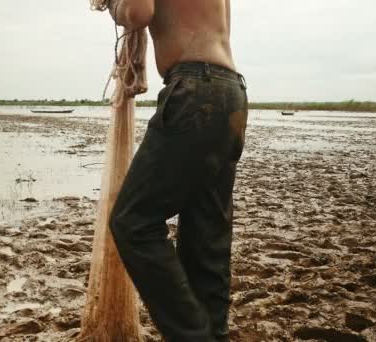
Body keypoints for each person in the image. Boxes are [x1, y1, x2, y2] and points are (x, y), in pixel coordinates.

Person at [107, 0, 248, 341]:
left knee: (133, 222)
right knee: (207, 237)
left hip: (195, 90)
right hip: (231, 91)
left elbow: (139, 12)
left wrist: (114, 6)